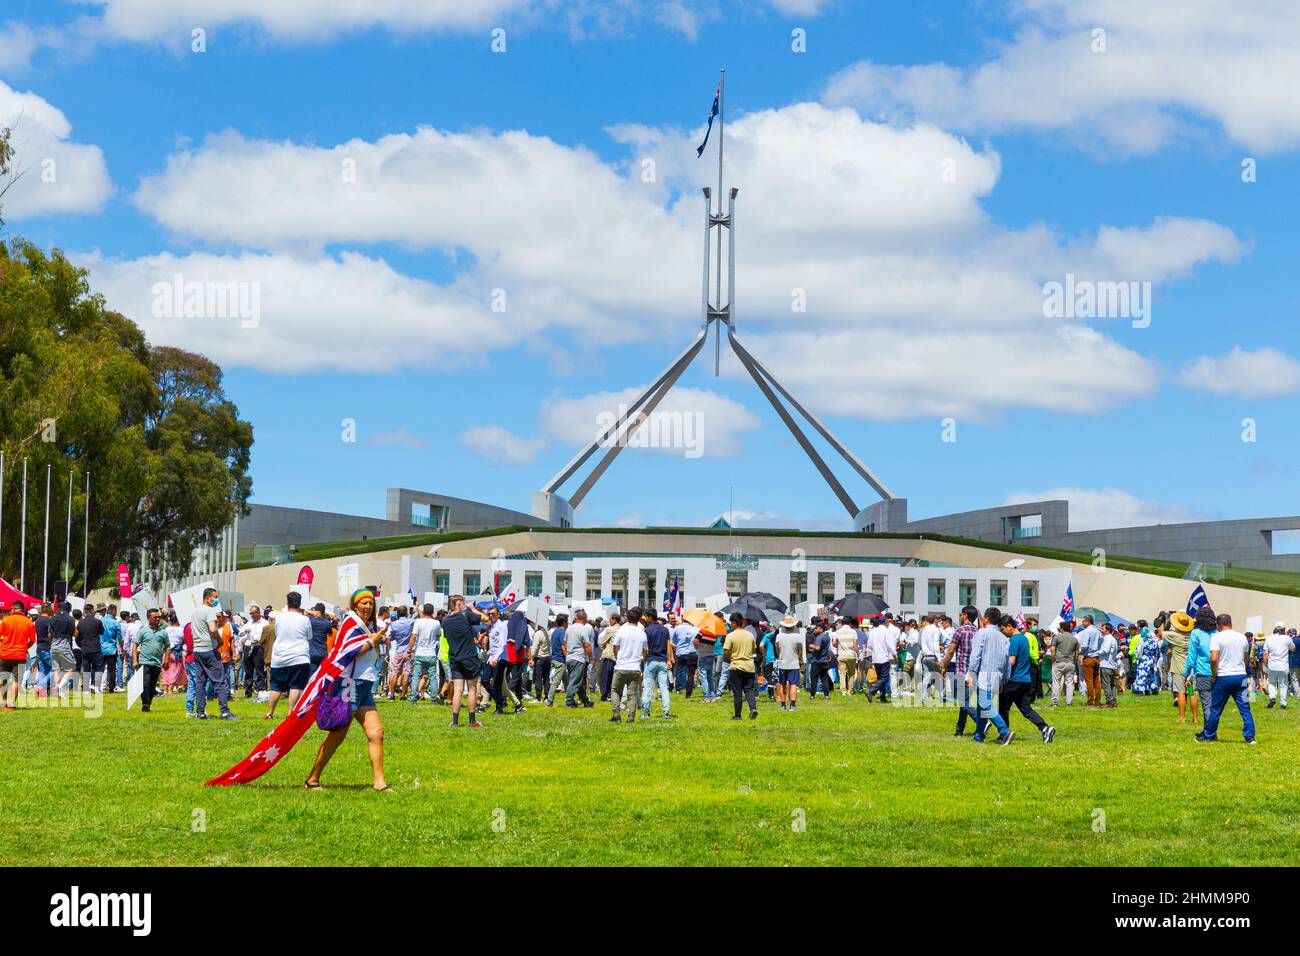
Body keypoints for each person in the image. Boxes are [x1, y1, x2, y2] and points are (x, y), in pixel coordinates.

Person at [305, 589, 391, 791]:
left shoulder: (365, 626)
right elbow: (346, 653)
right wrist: (372, 642)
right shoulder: (351, 623)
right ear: (355, 605)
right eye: (364, 603)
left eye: (371, 603)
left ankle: (379, 783)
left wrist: (373, 638)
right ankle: (313, 779)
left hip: (363, 686)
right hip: (349, 684)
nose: (368, 607)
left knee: (376, 732)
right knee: (338, 734)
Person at [1197, 613, 1255, 744]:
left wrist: (1214, 673)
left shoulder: (1216, 637)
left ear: (1218, 625)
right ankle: (1250, 737)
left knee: (1215, 708)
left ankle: (1208, 734)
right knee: (1245, 707)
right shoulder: (1242, 637)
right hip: (1241, 676)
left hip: (1223, 676)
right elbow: (1246, 658)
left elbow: (1213, 658)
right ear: (1231, 623)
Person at [996, 615, 1054, 742]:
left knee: (1002, 708)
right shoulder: (1024, 638)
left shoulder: (1014, 640)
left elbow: (1011, 661)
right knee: (1026, 709)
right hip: (1026, 680)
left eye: (1002, 629)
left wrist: (1000, 670)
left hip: (1014, 680)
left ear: (1009, 627)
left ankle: (1004, 734)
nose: (1002, 632)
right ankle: (1045, 728)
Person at [967, 607, 1013, 745]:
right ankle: (978, 735)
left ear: (986, 619)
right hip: (997, 676)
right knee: (982, 708)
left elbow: (976, 655)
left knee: (985, 705)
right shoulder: (1004, 638)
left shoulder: (982, 633)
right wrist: (1004, 680)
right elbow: (1007, 662)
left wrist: (971, 673)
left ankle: (1004, 731)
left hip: (984, 675)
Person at [265, 591, 312, 719]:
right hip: (299, 656)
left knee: (276, 687)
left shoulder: (279, 617)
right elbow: (309, 636)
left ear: (287, 602)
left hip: (280, 656)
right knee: (296, 686)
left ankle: (269, 713)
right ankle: (290, 713)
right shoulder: (305, 619)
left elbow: (277, 632)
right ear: (300, 603)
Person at [442, 595, 485, 728]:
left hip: (454, 658)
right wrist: (473, 609)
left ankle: (455, 721)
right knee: (472, 689)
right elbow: (486, 619)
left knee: (457, 691)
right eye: (462, 603)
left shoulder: (445, 621)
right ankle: (472, 721)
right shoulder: (466, 615)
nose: (464, 605)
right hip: (469, 657)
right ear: (457, 605)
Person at [939, 606, 980, 736]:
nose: (960, 616)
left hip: (962, 670)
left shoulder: (960, 630)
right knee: (965, 701)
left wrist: (944, 667)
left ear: (966, 615)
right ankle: (959, 729)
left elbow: (951, 651)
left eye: (961, 614)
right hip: (974, 673)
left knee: (962, 700)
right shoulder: (978, 631)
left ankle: (980, 722)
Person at [609, 608, 647, 723]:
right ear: (639, 619)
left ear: (627, 618)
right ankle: (631, 716)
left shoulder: (621, 631)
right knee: (633, 694)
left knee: (615, 690)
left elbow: (615, 647)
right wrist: (641, 659)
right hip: (635, 666)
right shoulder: (642, 632)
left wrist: (617, 657)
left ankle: (616, 715)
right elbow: (645, 651)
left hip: (621, 666)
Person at [132, 607, 171, 712]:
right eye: (155, 617)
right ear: (149, 618)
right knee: (145, 684)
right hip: (144, 662)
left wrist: (166, 660)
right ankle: (145, 702)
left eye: (159, 617)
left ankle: (148, 704)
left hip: (157, 663)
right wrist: (135, 660)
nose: (158, 619)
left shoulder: (163, 632)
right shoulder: (143, 631)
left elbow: (167, 646)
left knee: (152, 685)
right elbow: (135, 645)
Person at [722, 612, 759, 721]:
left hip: (736, 666)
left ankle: (738, 715)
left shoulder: (731, 635)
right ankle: (753, 709)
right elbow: (753, 650)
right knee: (749, 690)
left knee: (737, 691)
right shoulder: (750, 635)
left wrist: (731, 656)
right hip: (749, 666)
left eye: (730, 623)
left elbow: (726, 651)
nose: (730, 625)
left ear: (734, 622)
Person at [0, 601, 36, 709]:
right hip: (20, 655)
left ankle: (4, 702)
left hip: (5, 654)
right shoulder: (28, 622)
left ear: (15, 609)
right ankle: (11, 705)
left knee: (3, 679)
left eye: (11, 609)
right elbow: (33, 640)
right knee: (17, 680)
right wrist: (25, 647)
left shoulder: (5, 620)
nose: (10, 611)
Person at [1184, 607, 1216, 727]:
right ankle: (1211, 729)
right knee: (1214, 705)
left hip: (1203, 672)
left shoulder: (1196, 633)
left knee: (1206, 704)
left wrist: (1186, 673)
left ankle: (1209, 731)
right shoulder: (1216, 633)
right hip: (1217, 673)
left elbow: (1191, 656)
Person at [1164, 612, 1198, 723]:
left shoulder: (1175, 636)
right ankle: (1195, 717)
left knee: (1180, 693)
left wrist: (1163, 620)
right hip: (1191, 668)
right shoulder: (1192, 635)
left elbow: (1161, 633)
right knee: (1191, 692)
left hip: (1178, 668)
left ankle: (1182, 717)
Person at [641, 609, 674, 719]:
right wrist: (669, 660)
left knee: (647, 688)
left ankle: (646, 712)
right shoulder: (665, 630)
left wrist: (645, 659)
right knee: (664, 688)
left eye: (645, 616)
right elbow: (668, 645)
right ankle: (666, 712)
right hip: (662, 661)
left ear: (650, 617)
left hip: (651, 660)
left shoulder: (647, 630)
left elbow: (645, 649)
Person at [410, 604, 442, 703]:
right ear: (433, 612)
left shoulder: (418, 622)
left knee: (416, 676)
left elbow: (413, 637)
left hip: (419, 652)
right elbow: (439, 635)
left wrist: (409, 650)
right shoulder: (436, 623)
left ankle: (414, 698)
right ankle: (434, 698)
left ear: (423, 611)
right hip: (431, 653)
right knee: (433, 676)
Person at [563, 609, 595, 708]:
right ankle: (569, 701)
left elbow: (564, 643)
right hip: (579, 657)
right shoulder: (583, 629)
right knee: (575, 681)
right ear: (584, 618)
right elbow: (587, 645)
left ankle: (585, 700)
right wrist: (590, 658)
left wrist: (568, 653)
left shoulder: (569, 628)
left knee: (578, 680)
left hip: (569, 657)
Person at [503, 610, 531, 713]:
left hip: (508, 653)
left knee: (518, 681)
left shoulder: (508, 625)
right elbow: (527, 641)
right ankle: (503, 695)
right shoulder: (523, 625)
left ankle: (519, 702)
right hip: (518, 655)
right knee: (515, 678)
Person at [774, 615, 804, 712]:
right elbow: (800, 650)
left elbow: (777, 649)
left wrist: (780, 656)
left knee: (782, 683)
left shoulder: (779, 636)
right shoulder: (797, 636)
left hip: (782, 663)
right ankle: (792, 705)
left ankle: (783, 705)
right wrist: (798, 658)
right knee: (793, 684)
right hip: (794, 663)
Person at [1262, 623, 1294, 710]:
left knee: (1272, 683)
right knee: (1283, 685)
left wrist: (1265, 664)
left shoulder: (1269, 638)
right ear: (1284, 629)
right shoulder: (1287, 638)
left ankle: (1272, 697)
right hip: (1283, 666)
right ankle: (1283, 703)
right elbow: (1293, 648)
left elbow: (1265, 653)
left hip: (1272, 665)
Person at [866, 617, 896, 703]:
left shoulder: (873, 631)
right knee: (885, 678)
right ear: (885, 622)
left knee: (880, 678)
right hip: (884, 657)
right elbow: (890, 645)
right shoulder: (886, 631)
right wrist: (894, 656)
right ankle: (871, 691)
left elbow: (869, 645)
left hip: (875, 657)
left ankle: (882, 697)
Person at [1075, 615, 1103, 707]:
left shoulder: (1087, 631)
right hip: (1097, 657)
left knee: (1089, 681)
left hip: (1089, 657)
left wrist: (1079, 652)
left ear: (1087, 621)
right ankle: (1098, 700)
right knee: (1096, 680)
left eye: (1083, 621)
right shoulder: (1097, 631)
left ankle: (1090, 701)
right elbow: (1100, 643)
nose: (1082, 623)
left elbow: (1085, 646)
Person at [670, 615, 699, 698]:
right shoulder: (692, 628)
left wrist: (677, 646)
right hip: (689, 651)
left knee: (678, 671)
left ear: (683, 619)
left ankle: (678, 689)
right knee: (689, 672)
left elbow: (673, 640)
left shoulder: (677, 628)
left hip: (679, 652)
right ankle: (688, 687)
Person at [1131, 625, 1161, 694]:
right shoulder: (1153, 642)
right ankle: (1150, 688)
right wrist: (1155, 659)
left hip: (1143, 660)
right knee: (1150, 675)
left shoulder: (1141, 641)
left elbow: (1137, 651)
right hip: (1151, 660)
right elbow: (1157, 652)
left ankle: (1141, 689)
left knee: (1142, 675)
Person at [597, 613, 620, 701]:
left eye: (611, 619)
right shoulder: (623, 629)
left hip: (609, 655)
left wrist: (604, 647)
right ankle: (612, 694)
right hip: (619, 657)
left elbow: (601, 642)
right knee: (614, 678)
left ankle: (604, 695)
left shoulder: (610, 629)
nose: (610, 621)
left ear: (614, 619)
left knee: (605, 677)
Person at [832, 618, 858, 696]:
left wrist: (839, 646)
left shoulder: (837, 632)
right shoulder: (853, 632)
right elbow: (855, 644)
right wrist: (858, 653)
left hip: (841, 655)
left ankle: (843, 691)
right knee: (851, 674)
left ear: (842, 623)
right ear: (849, 623)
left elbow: (833, 643)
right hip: (851, 655)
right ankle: (850, 690)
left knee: (842, 674)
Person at [1097, 624, 1121, 708]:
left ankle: (1110, 702)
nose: (1101, 630)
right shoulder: (1113, 639)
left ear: (1107, 630)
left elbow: (1105, 650)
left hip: (1106, 664)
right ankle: (1113, 700)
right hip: (1112, 664)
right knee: (1112, 685)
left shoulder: (1108, 639)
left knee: (1106, 684)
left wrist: (1096, 652)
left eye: (1102, 629)